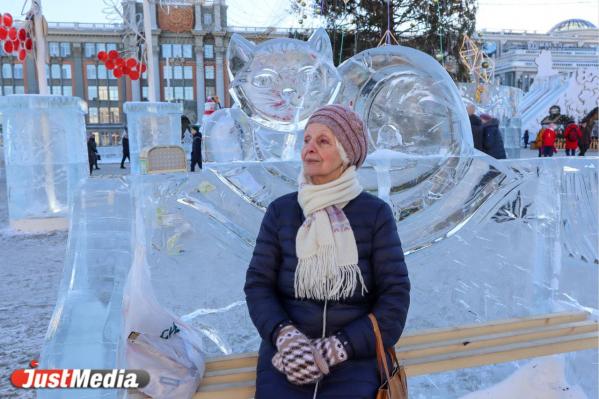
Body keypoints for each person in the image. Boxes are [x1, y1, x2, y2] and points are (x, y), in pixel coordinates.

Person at [244, 104, 410, 398]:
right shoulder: (281, 212)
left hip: (353, 359)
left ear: (347, 154)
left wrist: (338, 348)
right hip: (286, 360)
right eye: (306, 139)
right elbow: (258, 285)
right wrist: (286, 336)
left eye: (323, 141)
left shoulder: (375, 215)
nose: (309, 149)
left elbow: (394, 299)